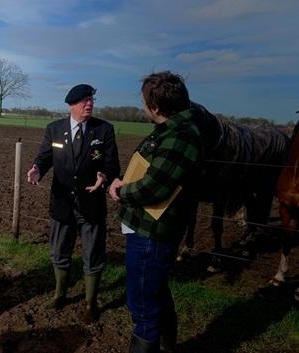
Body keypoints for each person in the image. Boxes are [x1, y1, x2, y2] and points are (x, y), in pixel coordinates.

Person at [109, 71, 203, 353]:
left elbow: (155, 187)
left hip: (152, 232)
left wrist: (120, 191)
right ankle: (167, 346)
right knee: (155, 291)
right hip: (147, 226)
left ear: (156, 108)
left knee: (142, 304)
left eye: (143, 102)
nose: (142, 106)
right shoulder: (171, 130)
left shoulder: (180, 136)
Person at [27, 84, 120, 322]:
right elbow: (45, 157)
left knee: (93, 254)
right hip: (62, 202)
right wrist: (37, 169)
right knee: (59, 251)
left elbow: (111, 165)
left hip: (92, 203)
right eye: (84, 101)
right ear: (71, 105)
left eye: (91, 100)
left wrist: (104, 176)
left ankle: (90, 303)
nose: (89, 104)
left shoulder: (104, 130)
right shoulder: (54, 129)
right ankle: (60, 294)